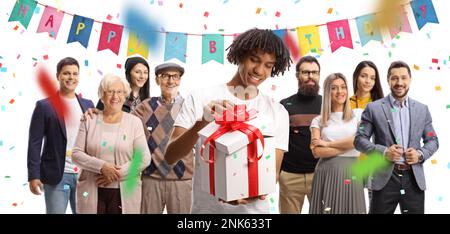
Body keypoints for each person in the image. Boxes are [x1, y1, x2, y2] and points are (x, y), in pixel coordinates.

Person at [164, 28, 291, 213]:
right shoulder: (200, 97)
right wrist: (202, 123)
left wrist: (243, 193)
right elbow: (170, 156)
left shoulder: (277, 112)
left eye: (268, 65)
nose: (259, 70)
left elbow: (271, 176)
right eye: (254, 59)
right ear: (240, 55)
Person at [354, 61, 439, 214]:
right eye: (394, 78)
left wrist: (420, 154)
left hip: (414, 180)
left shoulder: (422, 109)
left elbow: (433, 140)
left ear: (410, 79)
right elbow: (359, 140)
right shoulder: (373, 108)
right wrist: (384, 152)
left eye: (403, 78)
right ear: (388, 80)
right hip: (384, 179)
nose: (399, 83)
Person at [72, 74, 151, 214]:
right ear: (102, 96)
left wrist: (115, 174)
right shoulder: (89, 119)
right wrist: (102, 167)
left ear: (125, 95)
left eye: (119, 92)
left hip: (124, 191)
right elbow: (76, 154)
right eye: (110, 91)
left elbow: (144, 158)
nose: (115, 96)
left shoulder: (134, 122)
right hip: (91, 189)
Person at [27, 57, 94, 214]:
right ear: (58, 76)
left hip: (84, 176)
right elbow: (35, 143)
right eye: (66, 73)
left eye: (75, 74)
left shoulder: (88, 105)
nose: (71, 77)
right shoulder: (44, 106)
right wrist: (33, 175)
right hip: (57, 175)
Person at [132, 62, 193, 214]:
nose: (170, 81)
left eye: (175, 76)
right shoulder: (146, 106)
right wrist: (96, 112)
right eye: (165, 76)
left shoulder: (189, 106)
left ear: (179, 80)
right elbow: (120, 122)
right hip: (151, 178)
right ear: (157, 80)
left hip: (182, 179)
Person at [309, 73, 366, 214]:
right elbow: (317, 152)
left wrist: (327, 144)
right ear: (328, 92)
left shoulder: (359, 115)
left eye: (343, 87)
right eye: (334, 88)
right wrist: (349, 146)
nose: (340, 91)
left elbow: (358, 141)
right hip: (326, 173)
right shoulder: (318, 120)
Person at [278, 56, 322, 214]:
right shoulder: (284, 105)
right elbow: (277, 143)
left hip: (320, 175)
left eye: (315, 72)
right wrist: (277, 174)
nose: (311, 76)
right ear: (297, 75)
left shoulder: (327, 104)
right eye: (306, 72)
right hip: (290, 176)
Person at [349, 60, 384, 207]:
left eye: (372, 78)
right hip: (350, 162)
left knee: (376, 207)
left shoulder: (381, 104)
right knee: (351, 206)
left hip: (373, 163)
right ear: (356, 76)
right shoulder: (345, 102)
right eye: (364, 76)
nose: (368, 81)